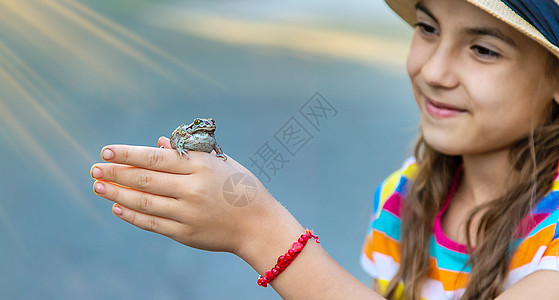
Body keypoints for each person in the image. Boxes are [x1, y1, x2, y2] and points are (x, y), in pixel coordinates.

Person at [90, 0, 559, 298]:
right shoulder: (406, 196)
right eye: (427, 27)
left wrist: (259, 229)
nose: (435, 71)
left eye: (484, 49)